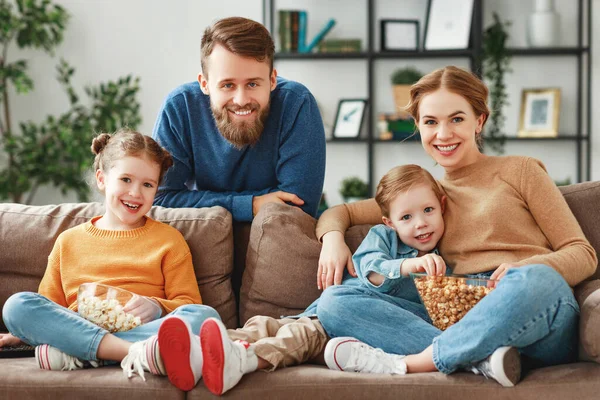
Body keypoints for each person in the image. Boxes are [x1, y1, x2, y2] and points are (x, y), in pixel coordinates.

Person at [315, 66, 597, 387]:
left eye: (457, 119)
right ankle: (483, 360)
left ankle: (415, 362)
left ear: (479, 121)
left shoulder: (522, 171)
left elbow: (582, 253)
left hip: (528, 305)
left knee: (539, 280)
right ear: (419, 127)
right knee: (335, 302)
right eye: (431, 122)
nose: (443, 134)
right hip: (458, 312)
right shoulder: (426, 195)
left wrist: (527, 267)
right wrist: (333, 239)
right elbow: (342, 211)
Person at [194, 164, 446, 396]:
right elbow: (371, 270)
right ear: (389, 223)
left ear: (441, 206)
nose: (421, 224)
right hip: (316, 312)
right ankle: (195, 352)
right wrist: (407, 265)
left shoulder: (444, 262)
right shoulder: (383, 237)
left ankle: (241, 360)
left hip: (337, 330)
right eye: (406, 218)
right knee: (262, 326)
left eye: (428, 210)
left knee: (295, 339)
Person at [0, 130, 219, 392]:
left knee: (206, 317)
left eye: (148, 185)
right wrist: (23, 333)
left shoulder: (169, 240)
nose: (135, 193)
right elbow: (50, 307)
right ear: (102, 179)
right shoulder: (68, 242)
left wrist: (156, 307)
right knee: (17, 306)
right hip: (82, 325)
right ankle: (135, 352)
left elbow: (189, 304)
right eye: (126, 179)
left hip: (140, 326)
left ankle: (83, 354)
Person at [152, 17, 326, 222]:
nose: (241, 100)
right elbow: (159, 198)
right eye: (228, 85)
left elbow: (298, 208)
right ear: (204, 83)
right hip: (205, 233)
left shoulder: (297, 104)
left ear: (272, 80)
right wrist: (251, 204)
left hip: (276, 237)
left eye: (252, 84)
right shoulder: (179, 107)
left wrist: (201, 202)